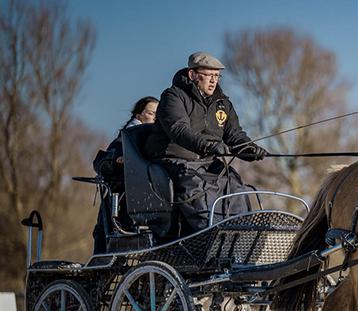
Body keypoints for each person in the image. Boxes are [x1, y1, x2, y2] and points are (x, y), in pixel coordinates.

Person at [144, 52, 267, 233]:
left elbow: (235, 135)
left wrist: (249, 149)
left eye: (217, 76)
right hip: (175, 160)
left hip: (208, 162)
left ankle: (240, 234)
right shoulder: (173, 97)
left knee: (235, 185)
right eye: (209, 75)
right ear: (193, 75)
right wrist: (209, 146)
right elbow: (179, 129)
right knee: (197, 186)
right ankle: (210, 235)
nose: (213, 81)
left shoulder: (223, 103)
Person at [92, 96, 160, 253]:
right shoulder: (125, 138)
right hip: (123, 200)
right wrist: (118, 160)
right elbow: (108, 163)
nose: (155, 118)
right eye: (151, 114)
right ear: (138, 115)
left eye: (158, 115)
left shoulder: (154, 139)